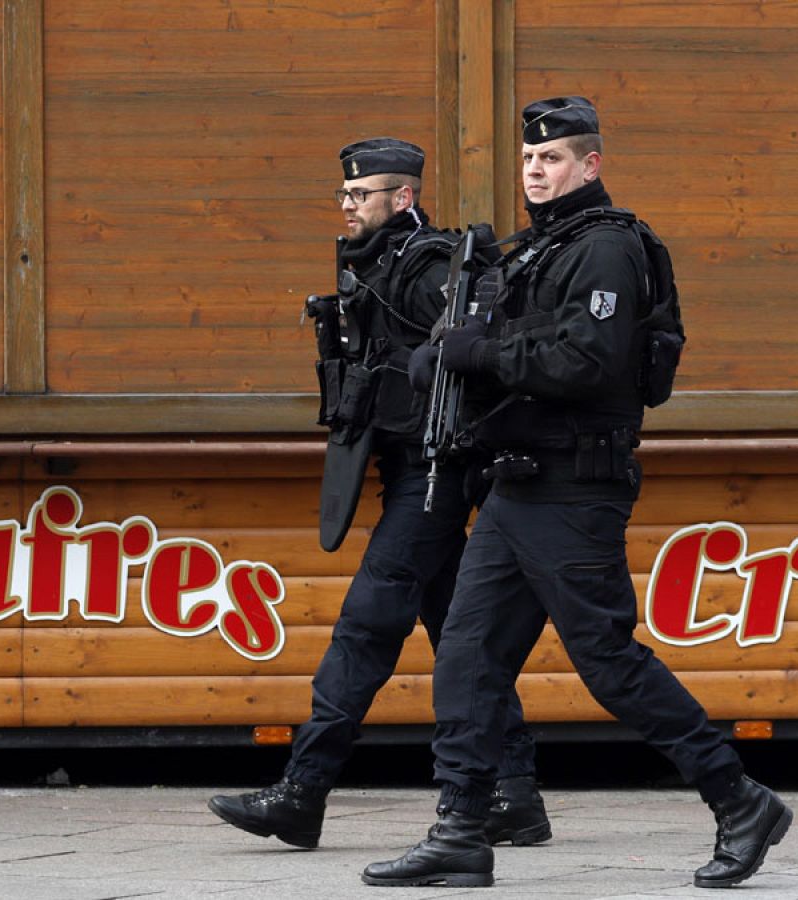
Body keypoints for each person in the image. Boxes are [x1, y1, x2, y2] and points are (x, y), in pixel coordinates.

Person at [360, 98, 792, 889]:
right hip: (516, 483)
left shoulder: (606, 249)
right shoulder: (538, 251)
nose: (536, 170)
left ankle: (739, 799)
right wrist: (447, 352)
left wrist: (474, 352)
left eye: (553, 158)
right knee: (467, 656)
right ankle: (461, 826)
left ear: (590, 165)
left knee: (607, 661)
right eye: (530, 159)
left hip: (572, 486)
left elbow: (585, 360)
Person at [207, 138, 548, 851]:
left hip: (434, 475)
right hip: (408, 471)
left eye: (359, 196)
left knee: (365, 625)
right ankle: (516, 797)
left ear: (403, 198)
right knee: (465, 641)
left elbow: (482, 351)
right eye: (343, 195)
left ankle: (303, 791)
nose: (347, 207)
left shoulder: (425, 268)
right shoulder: (380, 263)